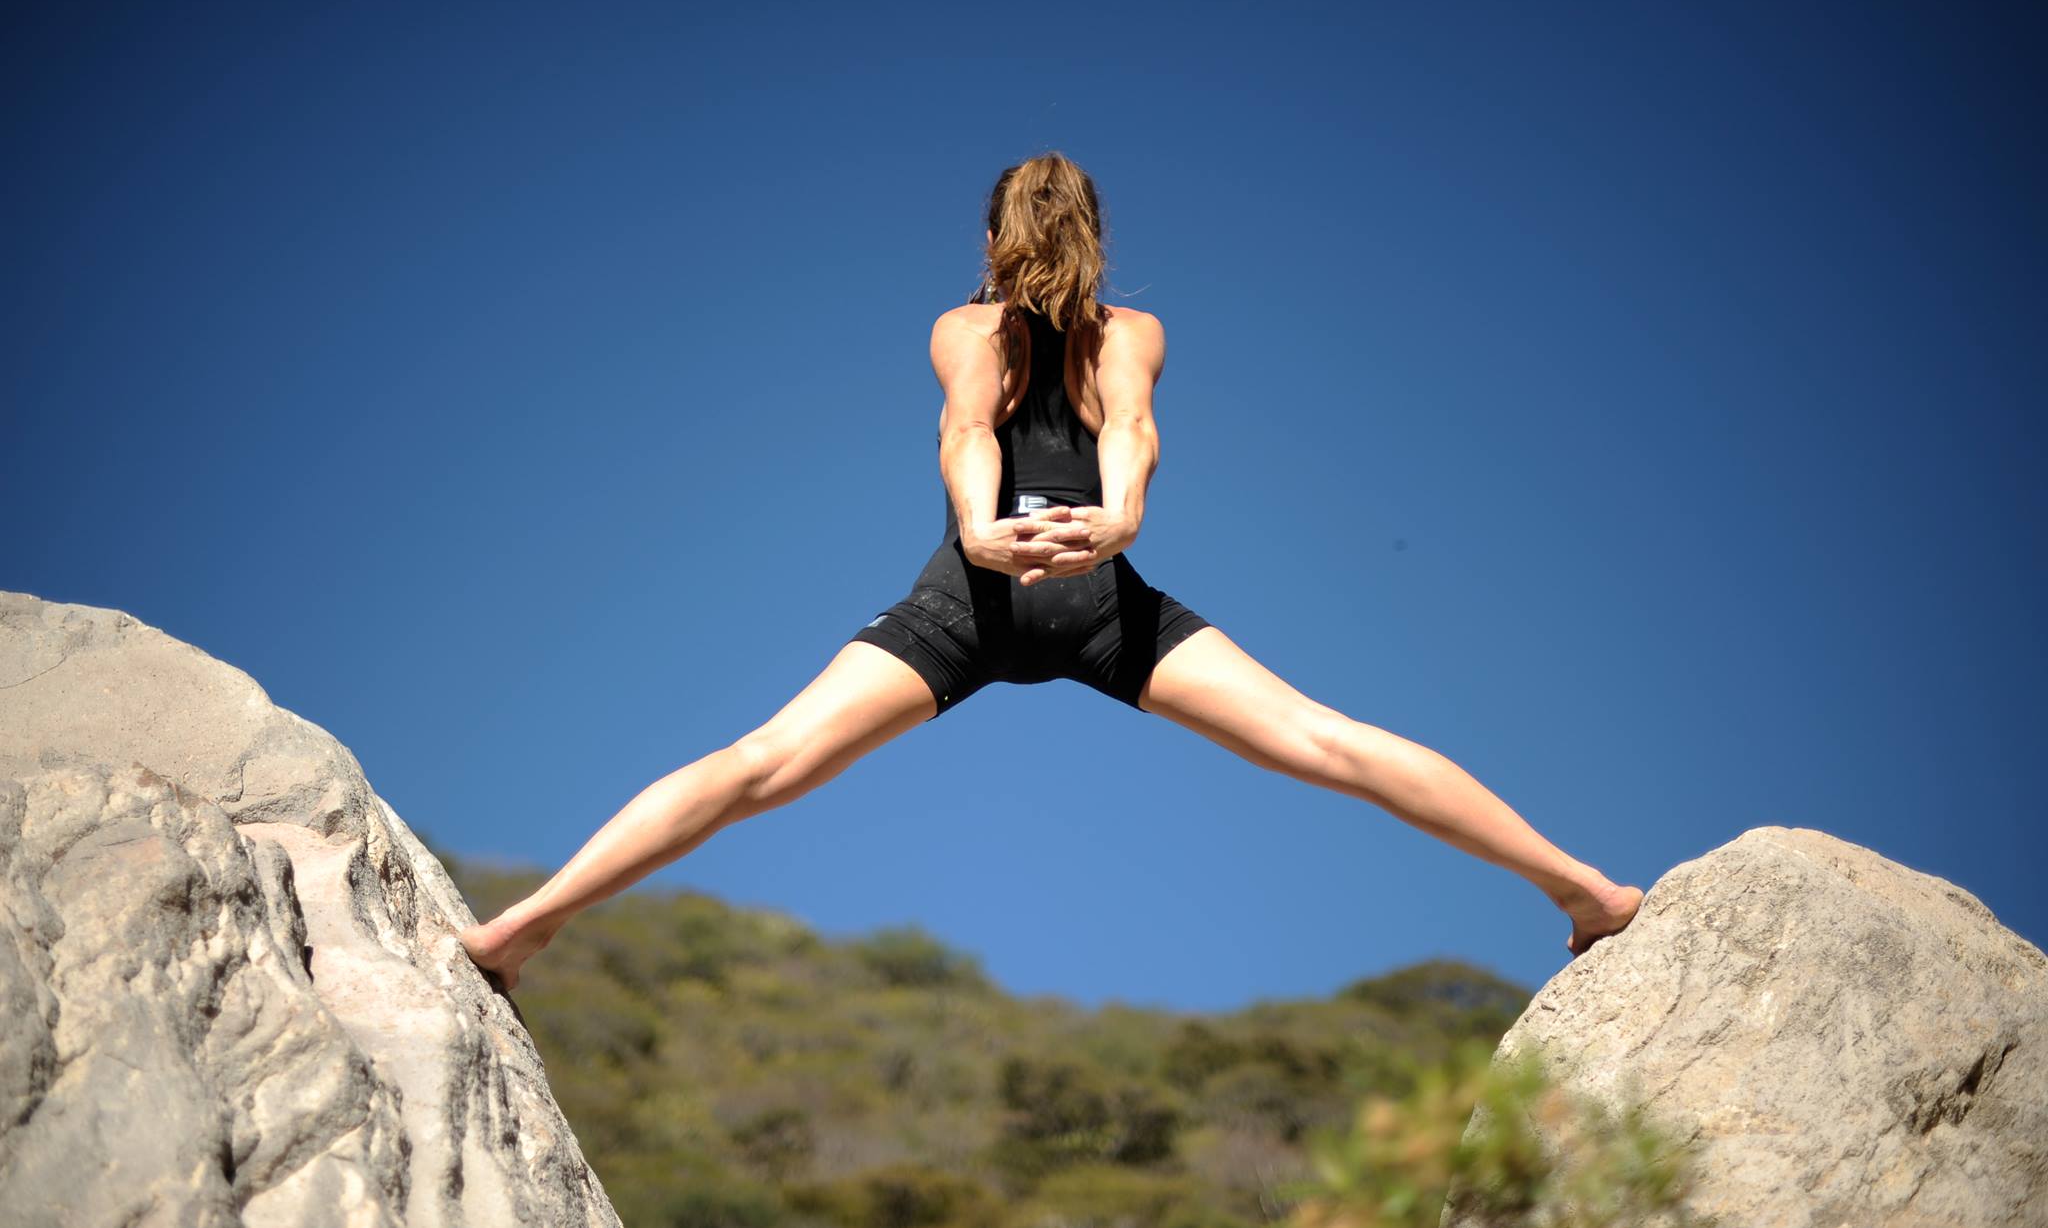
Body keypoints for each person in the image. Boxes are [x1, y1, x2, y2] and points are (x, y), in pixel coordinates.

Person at [460, 152, 1643, 991]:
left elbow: (966, 431)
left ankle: (522, 928)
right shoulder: (1134, 331)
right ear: (1097, 236)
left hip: (969, 602)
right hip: (1096, 597)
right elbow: (1123, 428)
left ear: (989, 240)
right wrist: (1116, 520)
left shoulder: (961, 327)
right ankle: (1581, 890)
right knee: (1327, 743)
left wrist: (984, 532)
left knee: (757, 765)